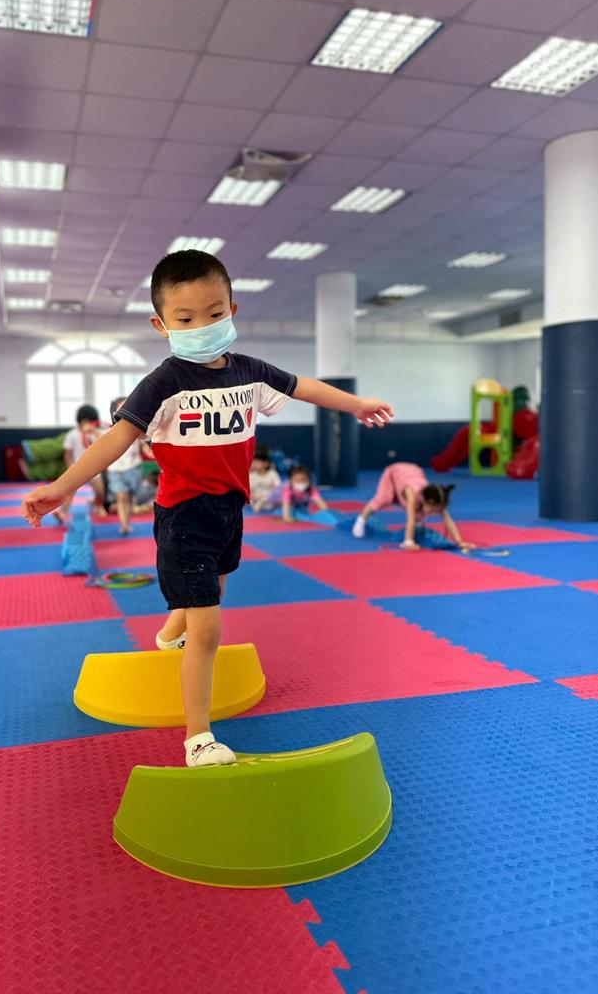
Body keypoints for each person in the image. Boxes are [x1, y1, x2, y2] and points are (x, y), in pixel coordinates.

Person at [21, 249, 394, 767]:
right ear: (161, 325)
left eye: (214, 313)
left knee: (210, 593)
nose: (202, 326)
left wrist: (357, 404)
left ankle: (167, 633)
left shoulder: (249, 372)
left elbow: (302, 386)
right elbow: (116, 439)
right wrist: (64, 487)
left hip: (229, 510)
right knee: (209, 629)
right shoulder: (163, 384)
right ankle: (198, 737)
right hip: (183, 516)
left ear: (232, 311)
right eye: (185, 319)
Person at [352, 462, 471, 550]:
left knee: (420, 513)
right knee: (383, 499)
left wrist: (459, 542)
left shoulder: (436, 499)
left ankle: (417, 528)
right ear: (426, 500)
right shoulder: (412, 494)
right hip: (394, 473)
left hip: (413, 471)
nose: (434, 513)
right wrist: (408, 541)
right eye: (433, 510)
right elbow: (410, 518)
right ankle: (361, 519)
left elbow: (448, 521)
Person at [56, 404, 107, 524]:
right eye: (84, 421)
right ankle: (62, 512)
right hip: (77, 469)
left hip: (93, 468)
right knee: (69, 492)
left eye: (90, 421)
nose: (87, 424)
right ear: (80, 421)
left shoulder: (95, 433)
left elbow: (104, 445)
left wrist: (93, 431)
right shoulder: (72, 434)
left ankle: (98, 505)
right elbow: (68, 454)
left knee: (100, 492)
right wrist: (70, 469)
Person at [107, 396, 151, 535]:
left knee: (130, 497)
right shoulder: (110, 431)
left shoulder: (136, 429)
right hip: (116, 469)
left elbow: (144, 445)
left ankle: (127, 521)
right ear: (115, 413)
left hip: (133, 467)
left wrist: (152, 453)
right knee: (121, 496)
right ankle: (124, 524)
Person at [249, 448, 281, 512]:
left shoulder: (272, 474)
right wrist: (257, 497)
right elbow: (251, 492)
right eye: (253, 461)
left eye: (256, 461)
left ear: (266, 463)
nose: (253, 463)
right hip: (256, 501)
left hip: (270, 500)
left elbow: (278, 488)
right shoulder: (251, 476)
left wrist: (267, 497)